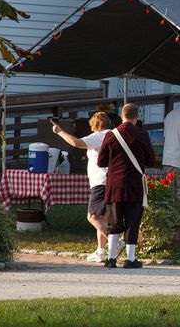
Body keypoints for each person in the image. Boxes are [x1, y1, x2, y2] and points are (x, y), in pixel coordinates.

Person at [51, 112, 125, 263]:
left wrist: (60, 132)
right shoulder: (113, 135)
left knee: (92, 217)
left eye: (92, 126)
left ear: (97, 125)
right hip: (110, 180)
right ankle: (101, 251)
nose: (91, 129)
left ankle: (117, 243)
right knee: (103, 217)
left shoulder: (99, 136)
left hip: (100, 181)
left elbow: (76, 143)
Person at [97, 103, 155, 269]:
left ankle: (111, 258)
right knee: (133, 220)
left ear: (122, 116)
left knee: (113, 221)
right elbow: (151, 160)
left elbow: (101, 161)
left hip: (114, 184)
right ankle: (130, 259)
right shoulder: (142, 135)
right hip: (134, 184)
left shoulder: (111, 135)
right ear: (136, 117)